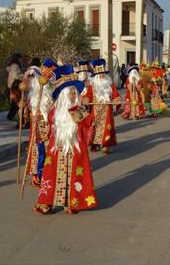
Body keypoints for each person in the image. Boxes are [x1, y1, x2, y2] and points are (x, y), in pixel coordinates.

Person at [34, 65, 97, 215]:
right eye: (69, 93)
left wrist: (87, 107)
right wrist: (38, 121)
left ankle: (72, 202)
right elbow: (45, 129)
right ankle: (46, 202)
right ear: (62, 95)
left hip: (76, 148)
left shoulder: (79, 108)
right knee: (51, 175)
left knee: (75, 174)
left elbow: (88, 124)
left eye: (74, 92)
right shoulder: (54, 112)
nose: (73, 96)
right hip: (56, 149)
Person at [22, 58, 58, 186]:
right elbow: (28, 95)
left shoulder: (52, 91)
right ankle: (36, 174)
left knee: (48, 148)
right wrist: (24, 106)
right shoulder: (34, 88)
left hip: (49, 122)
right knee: (37, 148)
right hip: (36, 120)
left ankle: (47, 174)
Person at [83, 59, 122, 154]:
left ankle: (106, 144)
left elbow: (116, 95)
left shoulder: (109, 85)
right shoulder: (91, 86)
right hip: (94, 110)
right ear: (96, 76)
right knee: (94, 126)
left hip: (106, 110)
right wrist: (86, 100)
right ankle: (95, 143)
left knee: (107, 127)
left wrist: (117, 100)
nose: (102, 76)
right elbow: (87, 96)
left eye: (103, 74)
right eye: (99, 75)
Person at [6, 53, 23, 122]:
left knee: (15, 101)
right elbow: (15, 76)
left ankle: (12, 115)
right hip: (14, 85)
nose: (21, 60)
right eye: (20, 58)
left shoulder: (13, 66)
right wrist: (23, 76)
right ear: (18, 58)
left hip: (13, 84)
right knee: (15, 101)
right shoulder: (14, 66)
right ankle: (11, 115)